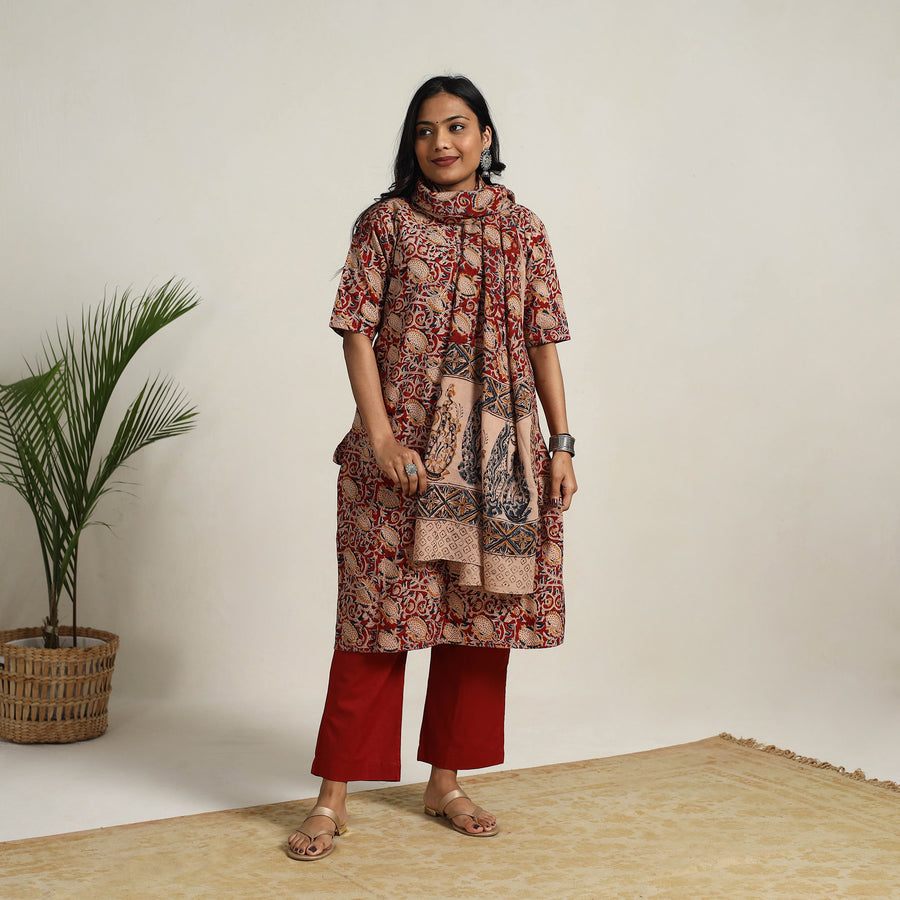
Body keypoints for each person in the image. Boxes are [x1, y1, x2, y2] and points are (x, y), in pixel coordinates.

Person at [287, 74, 577, 860]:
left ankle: (444, 783)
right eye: (425, 130)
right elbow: (355, 330)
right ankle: (333, 798)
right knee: (374, 621)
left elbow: (543, 337)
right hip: (403, 458)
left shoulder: (523, 228)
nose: (440, 143)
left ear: (486, 136)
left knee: (477, 622)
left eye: (455, 126)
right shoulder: (384, 224)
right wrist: (381, 440)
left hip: (496, 457)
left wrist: (561, 443)